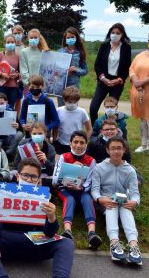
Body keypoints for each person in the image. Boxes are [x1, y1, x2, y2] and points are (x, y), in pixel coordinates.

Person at [0, 158, 74, 278]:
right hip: (5, 243)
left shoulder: (43, 196)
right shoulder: (5, 190)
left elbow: (49, 233)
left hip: (32, 242)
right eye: (25, 175)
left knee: (66, 243)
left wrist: (51, 217)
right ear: (18, 176)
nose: (29, 179)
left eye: (33, 177)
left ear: (38, 179)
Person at [91, 136, 142, 265]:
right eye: (113, 148)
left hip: (123, 201)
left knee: (126, 208)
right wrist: (101, 199)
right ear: (108, 150)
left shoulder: (130, 170)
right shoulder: (99, 167)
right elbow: (95, 190)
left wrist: (134, 202)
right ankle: (114, 243)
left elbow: (135, 194)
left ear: (124, 150)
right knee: (111, 207)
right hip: (106, 201)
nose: (116, 152)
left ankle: (134, 245)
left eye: (119, 148)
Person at [52, 130, 102, 249]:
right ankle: (68, 231)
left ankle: (91, 233)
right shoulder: (63, 157)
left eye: (82, 142)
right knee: (69, 199)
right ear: (70, 143)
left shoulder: (91, 160)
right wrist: (68, 177)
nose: (78, 145)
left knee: (87, 199)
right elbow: (55, 180)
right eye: (75, 142)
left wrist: (81, 188)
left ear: (86, 144)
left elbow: (90, 181)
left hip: (82, 191)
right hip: (65, 190)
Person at [90, 23, 131, 125]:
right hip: (103, 81)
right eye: (113, 32)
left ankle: (110, 130)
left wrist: (119, 79)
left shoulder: (126, 47)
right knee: (93, 108)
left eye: (118, 33)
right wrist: (103, 78)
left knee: (111, 110)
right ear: (109, 33)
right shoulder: (104, 45)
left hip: (117, 83)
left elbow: (127, 67)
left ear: (122, 34)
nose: (115, 35)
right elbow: (97, 65)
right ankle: (96, 129)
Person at [0, 34, 21, 112]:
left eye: (12, 42)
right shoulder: (0, 55)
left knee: (11, 108)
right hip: (1, 86)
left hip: (13, 87)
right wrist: (1, 74)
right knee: (1, 108)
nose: (10, 44)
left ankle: (10, 124)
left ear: (15, 43)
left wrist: (17, 75)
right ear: (4, 43)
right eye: (8, 42)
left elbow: (21, 72)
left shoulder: (18, 56)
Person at [54, 86, 92, 155]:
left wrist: (84, 141)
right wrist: (54, 140)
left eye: (75, 102)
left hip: (76, 145)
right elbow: (56, 127)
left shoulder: (82, 112)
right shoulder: (58, 110)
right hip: (61, 144)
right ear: (64, 100)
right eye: (70, 102)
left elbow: (89, 129)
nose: (72, 104)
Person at [57, 27, 88, 106]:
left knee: (73, 107)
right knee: (61, 108)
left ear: (76, 38)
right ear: (65, 39)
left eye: (72, 37)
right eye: (68, 37)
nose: (70, 39)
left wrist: (76, 69)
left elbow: (85, 70)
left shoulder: (80, 53)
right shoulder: (60, 52)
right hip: (62, 85)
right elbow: (55, 70)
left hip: (74, 86)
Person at [0, 92, 23, 161]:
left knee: (19, 134)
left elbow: (21, 130)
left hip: (10, 137)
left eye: (2, 103)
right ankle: (1, 153)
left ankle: (9, 154)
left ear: (6, 102)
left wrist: (17, 126)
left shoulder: (12, 112)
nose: (0, 106)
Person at [128, 47, 149, 154]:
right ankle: (144, 145)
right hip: (139, 92)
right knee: (143, 120)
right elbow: (131, 69)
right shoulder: (140, 55)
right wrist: (135, 80)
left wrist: (142, 81)